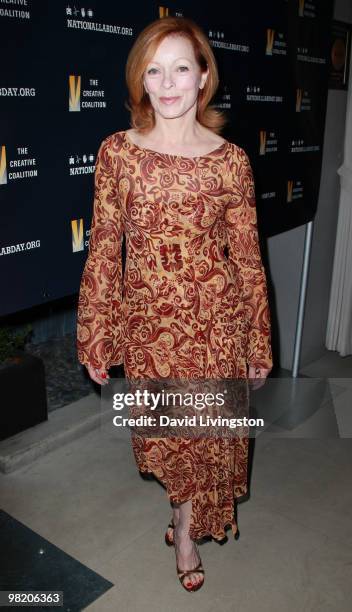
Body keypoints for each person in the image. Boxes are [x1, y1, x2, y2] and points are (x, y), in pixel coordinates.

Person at [76, 15, 273, 592]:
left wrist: (258, 340)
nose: (167, 83)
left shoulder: (231, 161)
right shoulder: (117, 154)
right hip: (149, 329)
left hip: (217, 328)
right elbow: (104, 252)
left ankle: (186, 534)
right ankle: (181, 508)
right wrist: (95, 333)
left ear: (203, 77)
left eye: (180, 68)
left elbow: (246, 260)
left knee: (205, 440)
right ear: (140, 79)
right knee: (169, 440)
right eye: (154, 70)